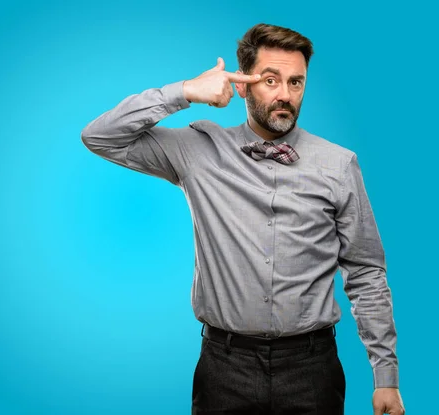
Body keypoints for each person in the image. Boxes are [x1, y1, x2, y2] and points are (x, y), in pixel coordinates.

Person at [80, 23, 405, 415]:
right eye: (271, 80)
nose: (285, 94)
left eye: (296, 82)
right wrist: (184, 92)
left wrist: (385, 375)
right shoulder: (196, 151)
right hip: (224, 367)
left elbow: (366, 271)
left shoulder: (338, 165)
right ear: (243, 85)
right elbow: (100, 136)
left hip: (312, 370)